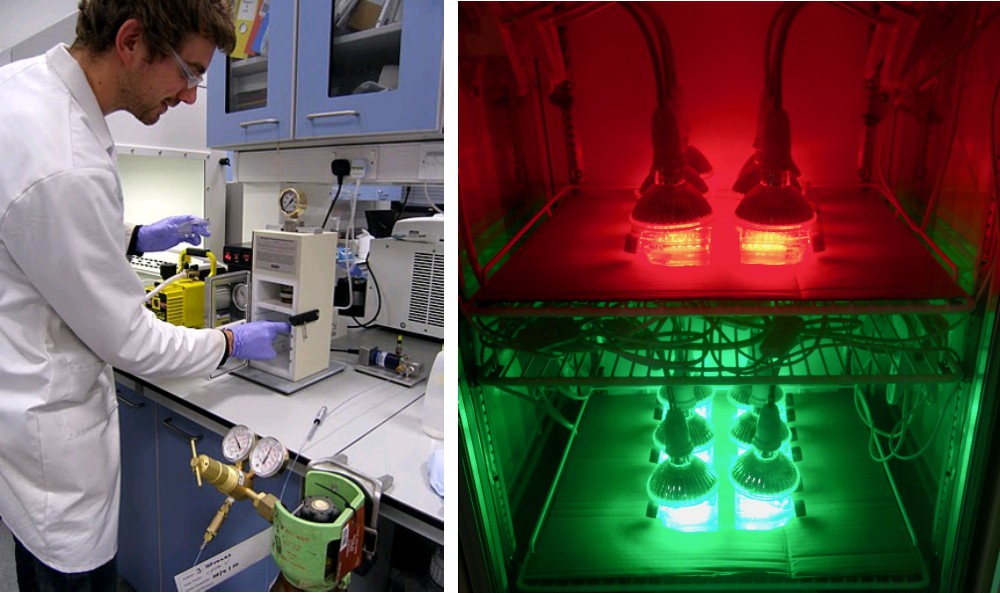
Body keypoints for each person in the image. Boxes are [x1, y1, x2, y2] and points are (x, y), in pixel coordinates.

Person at [0, 1, 288, 590]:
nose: (189, 96)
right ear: (131, 41)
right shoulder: (66, 162)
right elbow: (131, 340)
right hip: (53, 437)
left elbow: (38, 239)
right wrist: (232, 339)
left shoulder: (20, 89)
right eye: (189, 71)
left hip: (19, 406)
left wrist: (132, 237)